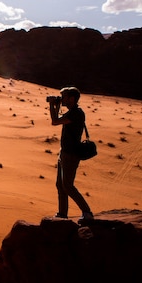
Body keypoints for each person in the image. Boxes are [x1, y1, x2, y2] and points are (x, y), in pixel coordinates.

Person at [49, 87, 94, 222]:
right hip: (64, 153)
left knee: (67, 185)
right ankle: (62, 214)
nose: (62, 99)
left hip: (71, 154)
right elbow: (56, 120)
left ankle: (87, 212)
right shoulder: (72, 112)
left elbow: (55, 121)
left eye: (65, 96)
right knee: (60, 185)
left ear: (72, 99)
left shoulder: (76, 114)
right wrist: (56, 106)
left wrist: (52, 105)